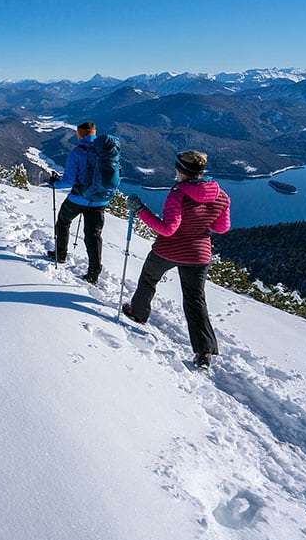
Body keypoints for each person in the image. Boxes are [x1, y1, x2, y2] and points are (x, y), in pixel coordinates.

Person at [122, 150, 231, 369]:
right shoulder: (222, 196)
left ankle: (139, 312)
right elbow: (221, 227)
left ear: (180, 170)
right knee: (195, 299)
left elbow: (168, 229)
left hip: (169, 249)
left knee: (149, 278)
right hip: (199, 254)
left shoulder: (178, 194)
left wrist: (141, 209)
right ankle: (204, 350)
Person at [46, 121, 109, 284]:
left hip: (79, 198)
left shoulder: (78, 152)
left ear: (80, 134)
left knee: (63, 221)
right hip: (99, 200)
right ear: (94, 133)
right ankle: (94, 273)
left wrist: (54, 183)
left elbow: (68, 180)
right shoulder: (105, 150)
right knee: (93, 235)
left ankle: (60, 254)